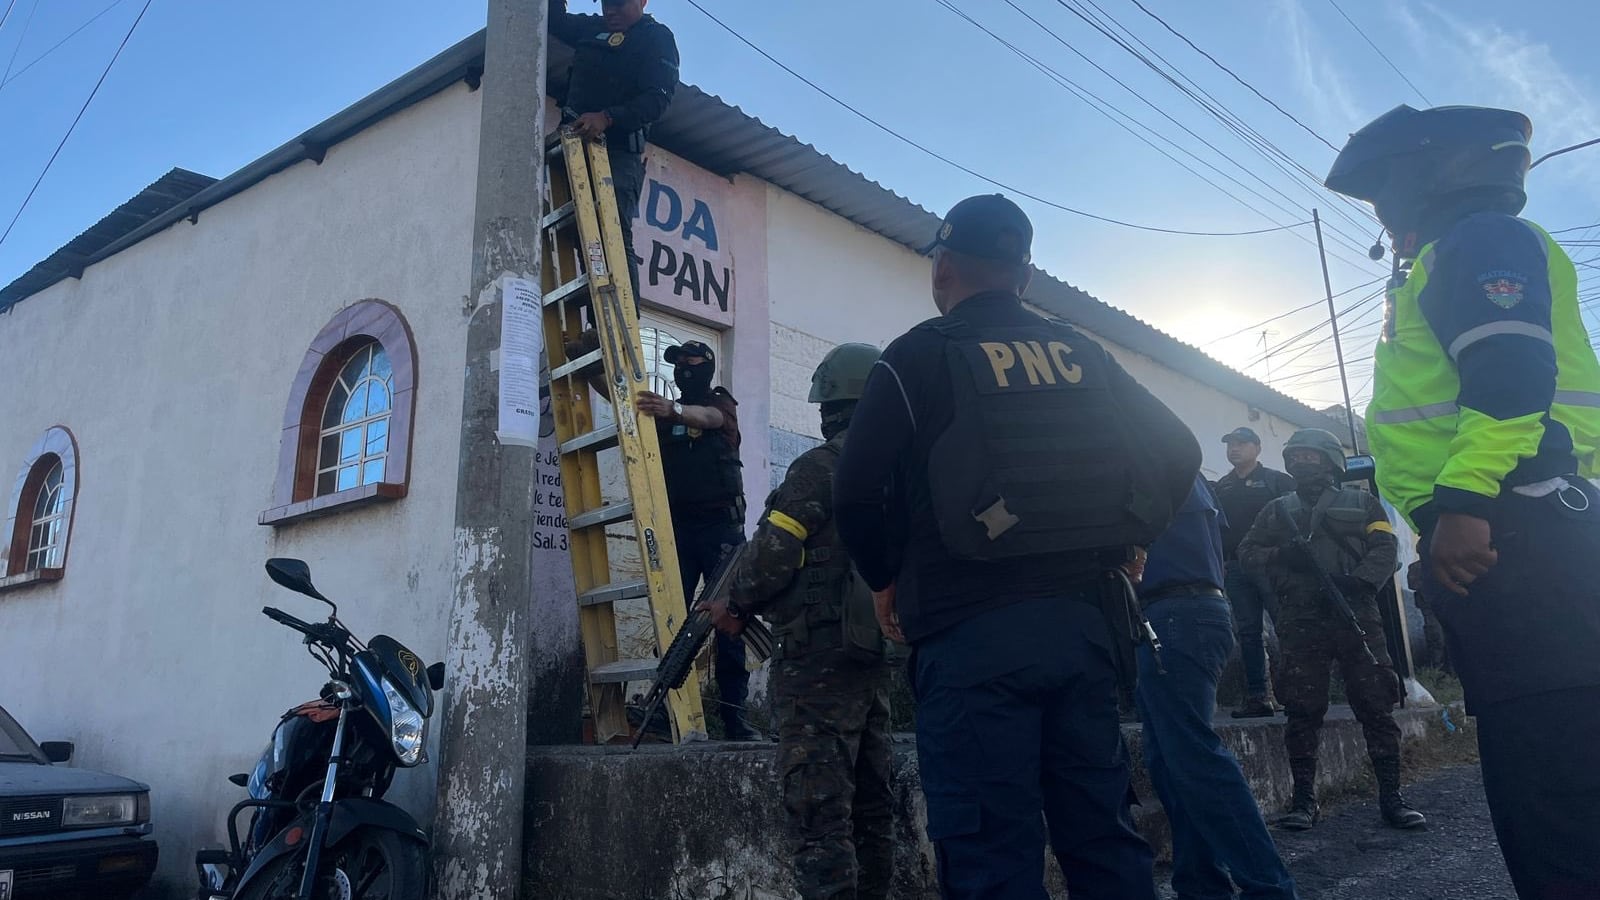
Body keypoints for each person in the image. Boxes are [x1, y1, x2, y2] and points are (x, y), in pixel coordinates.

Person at [833, 193, 1201, 898]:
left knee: (990, 857)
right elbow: (1179, 449)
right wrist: (1131, 536)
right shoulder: (1082, 354)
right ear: (1024, 278)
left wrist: (884, 580)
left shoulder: (914, 356)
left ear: (942, 268)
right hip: (1084, 633)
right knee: (1102, 837)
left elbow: (855, 493)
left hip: (969, 640)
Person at [1326, 103, 1600, 898]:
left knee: (1557, 812)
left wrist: (1465, 503)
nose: (1386, 220)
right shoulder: (1472, 245)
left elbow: (1511, 381)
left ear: (1426, 178)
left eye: (1386, 196)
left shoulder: (1477, 240)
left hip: (1520, 536)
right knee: (1555, 793)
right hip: (1536, 537)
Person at [702, 343, 893, 900]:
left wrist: (734, 606)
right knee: (873, 805)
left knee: (820, 813)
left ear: (832, 407)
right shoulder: (901, 472)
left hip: (817, 664)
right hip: (874, 655)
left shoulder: (820, 468)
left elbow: (771, 556)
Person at [1237, 428, 1425, 832]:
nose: (1302, 464)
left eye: (1310, 457)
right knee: (1302, 710)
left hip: (1354, 612)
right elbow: (1247, 553)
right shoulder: (1276, 509)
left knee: (1376, 703)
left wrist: (1359, 581)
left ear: (1330, 462)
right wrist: (1284, 556)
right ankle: (1304, 800)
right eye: (1296, 457)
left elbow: (1386, 549)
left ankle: (1392, 797)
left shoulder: (1363, 503)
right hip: (1300, 617)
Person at [1137, 474, 1299, 900]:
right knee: (1172, 764)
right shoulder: (1183, 470)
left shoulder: (1150, 465)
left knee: (1193, 759)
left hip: (1175, 613)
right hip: (1181, 613)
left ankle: (1270, 889)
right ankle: (1201, 886)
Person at [633, 340, 755, 740]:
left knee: (729, 625)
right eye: (678, 362)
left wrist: (675, 410)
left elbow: (710, 419)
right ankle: (669, 715)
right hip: (680, 532)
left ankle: (736, 720)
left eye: (692, 361)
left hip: (722, 532)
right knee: (671, 622)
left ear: (708, 366)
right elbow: (626, 400)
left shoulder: (721, 405)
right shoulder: (667, 414)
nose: (684, 367)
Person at [549, 0, 679, 305]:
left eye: (619, 4)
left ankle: (622, 326)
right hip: (573, 149)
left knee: (613, 237)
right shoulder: (591, 28)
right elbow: (554, 20)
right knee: (579, 236)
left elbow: (657, 100)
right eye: (607, 3)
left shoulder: (656, 37)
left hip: (618, 153)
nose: (611, 11)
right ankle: (595, 326)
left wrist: (608, 118)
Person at [1213, 426, 1297, 718]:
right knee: (1248, 633)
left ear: (1257, 448)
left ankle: (1299, 693)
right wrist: (1222, 560)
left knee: (1287, 627)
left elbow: (1297, 521)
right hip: (1237, 568)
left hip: (1274, 565)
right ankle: (1258, 697)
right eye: (1230, 444)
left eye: (1241, 443)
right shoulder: (1222, 487)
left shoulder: (1277, 482)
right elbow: (1218, 529)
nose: (1234, 449)